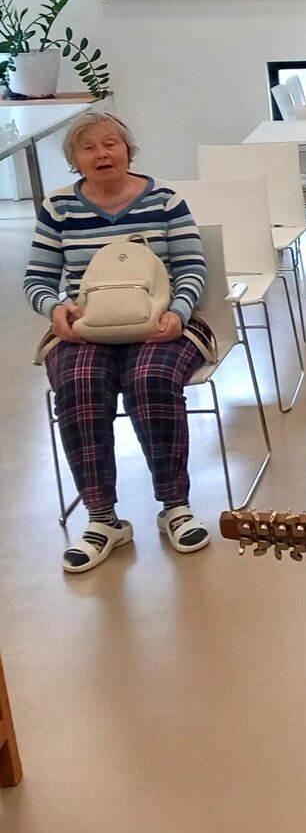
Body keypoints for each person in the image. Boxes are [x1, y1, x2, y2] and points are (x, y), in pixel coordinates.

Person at [25, 112, 213, 571]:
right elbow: (37, 279)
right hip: (86, 327)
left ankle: (175, 507)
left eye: (111, 143)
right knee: (80, 385)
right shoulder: (59, 208)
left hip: (162, 321)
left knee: (150, 379)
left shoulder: (165, 201)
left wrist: (178, 312)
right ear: (74, 160)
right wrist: (55, 308)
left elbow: (192, 267)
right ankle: (102, 518)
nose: (102, 154)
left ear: (129, 150)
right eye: (88, 148)